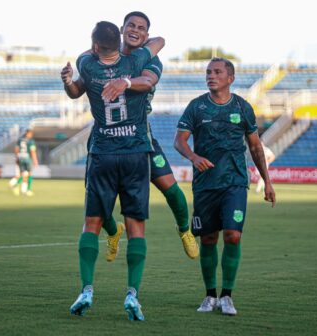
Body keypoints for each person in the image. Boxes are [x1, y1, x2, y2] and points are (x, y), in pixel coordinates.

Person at [61, 21, 164, 321]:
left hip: (103, 153)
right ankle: (132, 293)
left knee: (91, 223)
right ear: (118, 38)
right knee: (136, 227)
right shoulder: (135, 60)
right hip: (134, 154)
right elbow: (159, 41)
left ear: (94, 46)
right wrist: (127, 79)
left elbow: (75, 92)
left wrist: (68, 81)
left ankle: (87, 290)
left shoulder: (86, 63)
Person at [174, 58, 276, 316]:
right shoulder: (196, 107)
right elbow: (179, 141)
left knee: (233, 235)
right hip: (205, 185)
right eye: (208, 72)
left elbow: (255, 147)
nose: (211, 76)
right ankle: (210, 296)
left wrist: (267, 181)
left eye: (217, 72)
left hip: (235, 183)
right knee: (208, 239)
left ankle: (227, 296)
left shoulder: (242, 107)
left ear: (230, 78)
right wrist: (194, 158)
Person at [98, 11, 198, 262]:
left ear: (146, 35)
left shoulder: (150, 59)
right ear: (121, 29)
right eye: (131, 25)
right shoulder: (105, 56)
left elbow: (148, 81)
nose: (135, 30)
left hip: (141, 138)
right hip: (106, 137)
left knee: (172, 190)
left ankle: (184, 229)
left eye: (141, 28)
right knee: (96, 197)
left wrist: (126, 82)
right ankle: (113, 231)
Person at [13, 129, 38, 196]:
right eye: (31, 134)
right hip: (27, 158)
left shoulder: (20, 140)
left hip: (20, 158)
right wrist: (35, 160)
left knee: (22, 174)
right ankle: (28, 190)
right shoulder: (31, 141)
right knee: (29, 174)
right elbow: (33, 151)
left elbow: (16, 150)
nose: (31, 135)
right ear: (29, 134)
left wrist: (16, 158)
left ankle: (17, 187)